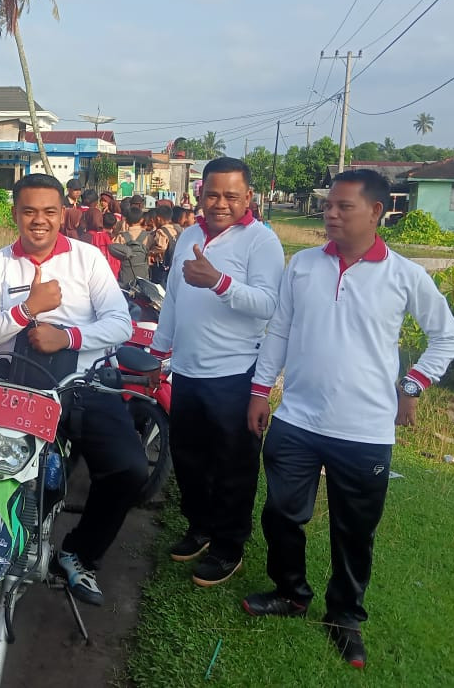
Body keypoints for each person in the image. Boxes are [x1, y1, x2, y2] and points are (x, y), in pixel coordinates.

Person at [242, 170, 454, 669]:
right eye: (328, 206)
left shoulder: (405, 275)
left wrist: (413, 385)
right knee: (280, 513)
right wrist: (261, 391)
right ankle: (291, 592)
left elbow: (447, 336)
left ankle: (345, 616)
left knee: (354, 529)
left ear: (377, 212)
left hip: (364, 430)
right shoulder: (301, 265)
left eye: (343, 207)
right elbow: (279, 329)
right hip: (297, 418)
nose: (331, 214)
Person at [0, 173, 146, 606]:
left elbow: (120, 324)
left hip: (79, 384)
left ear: (63, 214)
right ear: (15, 214)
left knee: (129, 468)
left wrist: (69, 338)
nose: (38, 221)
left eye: (48, 212)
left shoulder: (88, 259)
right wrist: (26, 311)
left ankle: (79, 553)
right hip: (9, 382)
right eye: (28, 212)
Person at [152, 156, 284, 587]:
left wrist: (219, 283)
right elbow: (172, 297)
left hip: (234, 373)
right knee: (189, 458)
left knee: (232, 465)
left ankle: (229, 546)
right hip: (186, 370)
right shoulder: (189, 234)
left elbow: (269, 304)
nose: (220, 203)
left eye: (231, 195)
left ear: (249, 197)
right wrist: (158, 350)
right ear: (199, 194)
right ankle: (200, 528)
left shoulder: (261, 242)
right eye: (212, 194)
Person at [113, 207, 152, 289]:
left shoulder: (121, 236)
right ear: (141, 220)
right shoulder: (148, 236)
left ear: (126, 220)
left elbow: (114, 249)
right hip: (143, 274)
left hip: (126, 274)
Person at [149, 204, 180, 285]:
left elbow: (162, 247)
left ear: (158, 219)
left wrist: (151, 252)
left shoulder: (161, 231)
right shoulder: (176, 230)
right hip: (174, 264)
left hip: (162, 267)